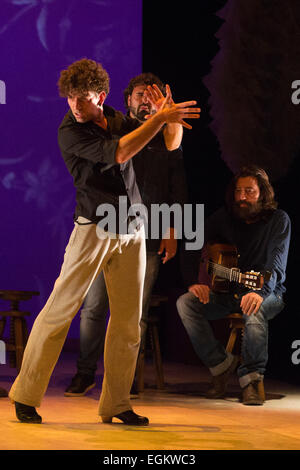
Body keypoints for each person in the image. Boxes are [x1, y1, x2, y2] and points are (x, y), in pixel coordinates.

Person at [8, 59, 200, 425]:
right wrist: (157, 120)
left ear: (102, 95)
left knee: (129, 321)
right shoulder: (70, 132)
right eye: (70, 99)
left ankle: (116, 403)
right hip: (94, 227)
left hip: (133, 228)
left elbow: (170, 146)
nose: (76, 106)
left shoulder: (115, 118)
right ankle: (26, 394)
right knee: (60, 311)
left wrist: (169, 119)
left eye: (83, 99)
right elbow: (120, 152)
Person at [64, 73, 187, 398]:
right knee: (93, 307)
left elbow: (176, 166)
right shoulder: (121, 127)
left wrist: (173, 229)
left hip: (145, 235)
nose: (146, 101)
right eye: (139, 96)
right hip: (106, 227)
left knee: (135, 314)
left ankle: (124, 379)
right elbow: (115, 155)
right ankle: (85, 373)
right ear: (127, 100)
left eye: (153, 96)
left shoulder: (160, 131)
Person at [177, 166, 290, 405]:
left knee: (253, 307)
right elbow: (191, 244)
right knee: (186, 303)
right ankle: (221, 366)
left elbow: (276, 265)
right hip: (228, 293)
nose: (242, 197)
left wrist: (259, 291)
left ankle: (252, 380)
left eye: (249, 191)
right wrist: (194, 283)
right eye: (238, 191)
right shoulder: (224, 217)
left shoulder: (278, 220)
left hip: (269, 292)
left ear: (263, 193)